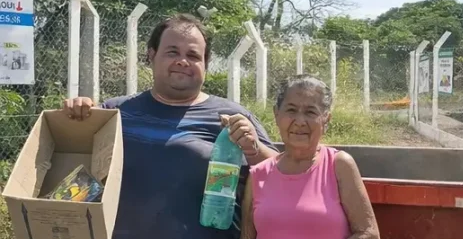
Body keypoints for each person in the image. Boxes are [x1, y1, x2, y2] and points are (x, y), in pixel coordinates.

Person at [63, 14, 279, 239]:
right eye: (172, 52)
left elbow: (285, 176)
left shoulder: (232, 117)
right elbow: (73, 164)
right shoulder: (115, 113)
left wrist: (253, 150)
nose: (182, 61)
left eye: (193, 55)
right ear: (152, 55)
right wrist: (77, 113)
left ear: (205, 64)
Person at [242, 75, 379, 239]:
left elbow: (369, 233)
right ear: (277, 115)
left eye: (310, 112)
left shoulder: (339, 165)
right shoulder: (257, 175)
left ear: (325, 120)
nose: (300, 121)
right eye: (291, 110)